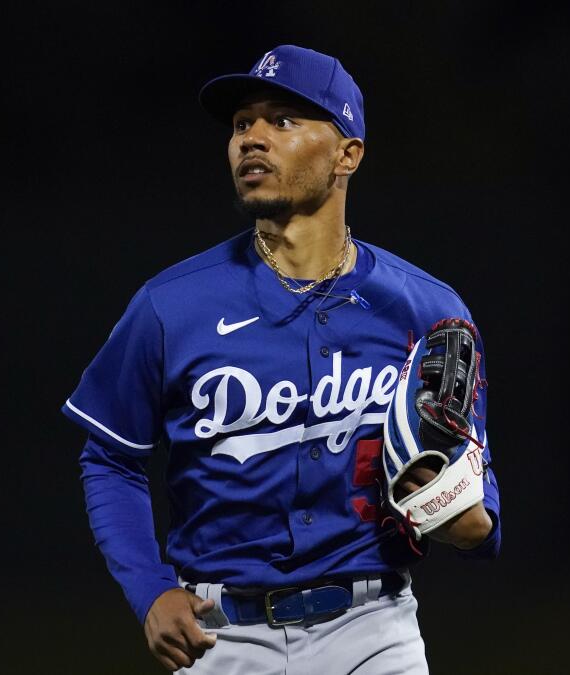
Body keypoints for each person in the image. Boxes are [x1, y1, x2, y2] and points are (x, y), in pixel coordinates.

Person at [61, 45, 502, 674]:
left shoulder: (426, 310)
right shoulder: (171, 306)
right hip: (224, 638)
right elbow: (109, 455)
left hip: (374, 632)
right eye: (243, 124)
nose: (252, 139)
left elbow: (478, 496)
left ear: (348, 155)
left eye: (283, 121)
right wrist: (150, 588)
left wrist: (466, 518)